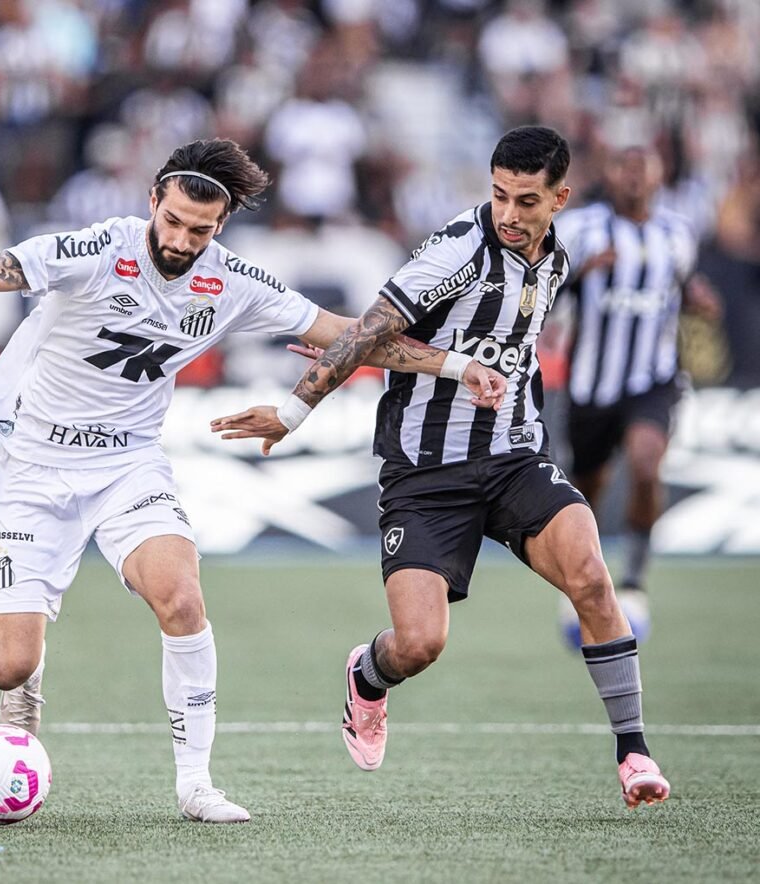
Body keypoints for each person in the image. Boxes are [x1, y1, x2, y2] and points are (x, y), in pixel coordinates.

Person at [0, 138, 506, 824]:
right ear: (152, 201)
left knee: (181, 597)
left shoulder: (230, 280)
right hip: (35, 464)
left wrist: (457, 366)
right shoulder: (94, 250)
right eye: (172, 221)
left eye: (200, 229)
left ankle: (196, 785)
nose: (180, 239)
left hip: (128, 463)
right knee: (8, 664)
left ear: (220, 225)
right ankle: (24, 689)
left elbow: (349, 333)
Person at [211, 126, 671, 809]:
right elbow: (366, 331)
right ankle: (367, 677)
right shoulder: (458, 248)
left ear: (560, 199)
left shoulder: (556, 260)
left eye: (526, 200)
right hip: (425, 473)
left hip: (514, 457)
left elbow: (517, 346)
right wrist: (292, 412)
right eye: (499, 195)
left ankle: (633, 752)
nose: (509, 213)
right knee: (420, 644)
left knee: (594, 582)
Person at [553, 140, 722, 647]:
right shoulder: (581, 229)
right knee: (587, 486)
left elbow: (682, 284)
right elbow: (540, 290)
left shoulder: (677, 232)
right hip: (592, 384)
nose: (632, 177)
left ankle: (634, 579)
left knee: (647, 464)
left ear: (658, 176)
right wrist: (581, 274)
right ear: (609, 174)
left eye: (641, 168)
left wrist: (696, 297)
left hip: (653, 378)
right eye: (623, 167)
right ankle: (583, 576)